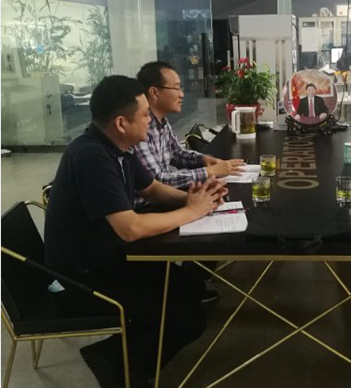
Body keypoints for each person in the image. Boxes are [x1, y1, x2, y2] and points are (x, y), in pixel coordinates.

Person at [44, 75, 228, 388]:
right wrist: (192, 212)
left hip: (111, 257)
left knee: (191, 286)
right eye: (144, 115)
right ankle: (118, 364)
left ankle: (125, 346)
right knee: (189, 321)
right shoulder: (91, 157)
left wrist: (194, 200)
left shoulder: (120, 146)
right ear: (121, 123)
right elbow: (130, 229)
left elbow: (152, 189)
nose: (149, 121)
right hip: (84, 276)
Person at [134, 61, 245, 204]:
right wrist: (210, 171)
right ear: (154, 92)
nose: (181, 94)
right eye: (176, 88)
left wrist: (205, 160)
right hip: (148, 207)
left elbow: (177, 154)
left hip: (166, 199)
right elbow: (157, 181)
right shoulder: (140, 128)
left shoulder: (162, 122)